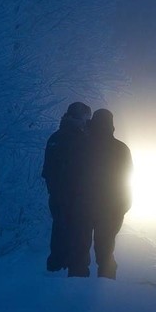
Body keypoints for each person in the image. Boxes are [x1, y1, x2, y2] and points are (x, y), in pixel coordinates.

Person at [42, 102, 92, 274]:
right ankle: (75, 282)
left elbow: (47, 171)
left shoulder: (55, 138)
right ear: (81, 117)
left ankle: (53, 274)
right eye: (87, 118)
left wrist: (54, 191)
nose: (88, 122)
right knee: (80, 240)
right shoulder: (81, 139)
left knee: (58, 234)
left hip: (56, 197)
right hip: (78, 199)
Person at [84, 109, 133, 279]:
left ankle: (75, 287)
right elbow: (127, 181)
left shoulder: (82, 145)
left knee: (79, 252)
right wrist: (122, 208)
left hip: (82, 207)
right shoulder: (121, 148)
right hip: (111, 210)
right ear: (111, 125)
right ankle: (106, 287)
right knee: (105, 252)